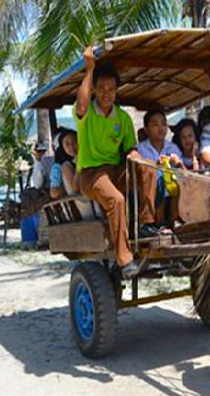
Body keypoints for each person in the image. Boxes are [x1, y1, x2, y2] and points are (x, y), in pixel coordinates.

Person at [75, 45, 159, 279]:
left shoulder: (122, 117)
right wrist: (89, 69)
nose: (106, 93)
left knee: (149, 169)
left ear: (116, 91)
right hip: (91, 175)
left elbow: (130, 148)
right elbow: (81, 105)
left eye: (111, 89)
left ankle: (147, 225)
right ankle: (124, 258)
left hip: (114, 171)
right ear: (94, 90)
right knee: (116, 199)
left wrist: (135, 155)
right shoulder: (87, 112)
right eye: (101, 88)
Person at [50, 128, 79, 199]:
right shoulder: (63, 165)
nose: (72, 147)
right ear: (62, 147)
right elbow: (54, 193)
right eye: (67, 144)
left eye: (74, 142)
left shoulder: (87, 158)